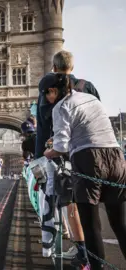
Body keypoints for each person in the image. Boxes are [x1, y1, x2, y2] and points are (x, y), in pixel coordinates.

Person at [43, 73, 126, 269]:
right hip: (116, 157)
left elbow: (61, 146)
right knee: (120, 224)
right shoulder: (91, 98)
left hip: (88, 160)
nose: (46, 99)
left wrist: (48, 152)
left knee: (91, 226)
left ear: (53, 91)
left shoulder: (61, 107)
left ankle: (97, 267)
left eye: (45, 94)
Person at [35, 50, 97, 265]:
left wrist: (38, 158)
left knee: (66, 202)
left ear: (54, 66)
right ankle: (89, 254)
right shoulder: (87, 86)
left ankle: (79, 252)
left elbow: (43, 129)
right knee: (89, 203)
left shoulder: (48, 89)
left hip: (60, 155)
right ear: (72, 66)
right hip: (90, 151)